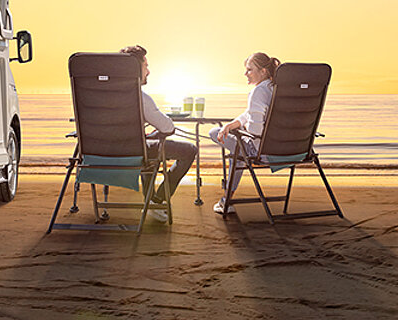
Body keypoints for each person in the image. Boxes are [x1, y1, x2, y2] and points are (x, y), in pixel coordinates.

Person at [119, 45, 198, 223]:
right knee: (189, 150)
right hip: (135, 152)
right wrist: (156, 132)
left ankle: (151, 203)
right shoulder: (140, 97)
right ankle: (156, 201)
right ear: (135, 68)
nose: (149, 71)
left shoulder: (101, 96)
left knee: (148, 147)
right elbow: (168, 128)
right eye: (145, 65)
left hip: (100, 155)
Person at [209, 52, 280, 215]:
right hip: (290, 151)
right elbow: (251, 113)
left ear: (263, 71)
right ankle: (226, 198)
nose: (245, 73)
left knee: (216, 134)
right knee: (237, 147)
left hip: (262, 152)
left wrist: (240, 130)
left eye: (249, 70)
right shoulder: (275, 89)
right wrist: (232, 125)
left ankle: (227, 199)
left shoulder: (258, 92)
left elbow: (255, 130)